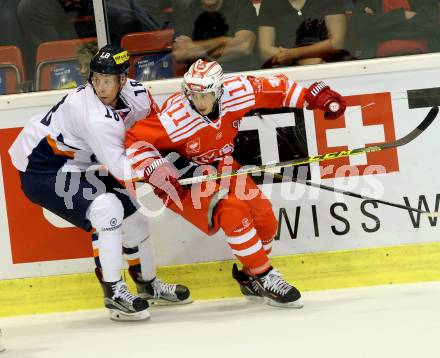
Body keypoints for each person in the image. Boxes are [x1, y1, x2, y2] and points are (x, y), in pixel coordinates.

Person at [124, 59, 346, 307]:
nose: (199, 102)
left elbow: (278, 88)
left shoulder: (238, 90)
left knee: (265, 220)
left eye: (205, 95)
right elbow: (134, 141)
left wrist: (313, 98)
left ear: (219, 90)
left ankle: (249, 277)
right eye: (193, 95)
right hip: (183, 180)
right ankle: (265, 276)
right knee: (233, 211)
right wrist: (153, 166)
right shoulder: (174, 119)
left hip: (222, 166)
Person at [8, 44, 191, 321]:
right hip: (42, 170)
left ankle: (148, 285)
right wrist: (157, 168)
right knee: (106, 208)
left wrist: (179, 160)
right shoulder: (94, 116)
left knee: (136, 221)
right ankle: (114, 292)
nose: (100, 87)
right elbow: (121, 168)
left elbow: (156, 131)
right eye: (95, 79)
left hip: (80, 165)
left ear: (123, 79)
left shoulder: (139, 94)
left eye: (107, 80)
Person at [172, 0, 259, 72]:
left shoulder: (241, 4)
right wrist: (224, 43)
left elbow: (244, 45)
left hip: (240, 76)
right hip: (200, 80)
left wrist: (195, 49)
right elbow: (180, 53)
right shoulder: (185, 9)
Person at [258, 0, 347, 67]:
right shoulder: (270, 3)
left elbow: (337, 43)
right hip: (285, 71)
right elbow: (264, 50)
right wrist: (297, 61)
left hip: (329, 66)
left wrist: (293, 54)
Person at [350, 0, 440, 59]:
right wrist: (403, 15)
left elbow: (430, 25)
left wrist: (379, 26)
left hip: (422, 58)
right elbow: (359, 27)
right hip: (377, 63)